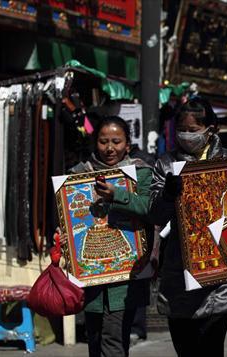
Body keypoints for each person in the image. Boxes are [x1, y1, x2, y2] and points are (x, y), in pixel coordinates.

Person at [148, 97, 227, 357]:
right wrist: (168, 195)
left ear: (211, 129)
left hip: (219, 275)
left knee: (212, 348)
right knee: (185, 348)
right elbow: (156, 214)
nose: (186, 136)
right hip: (179, 272)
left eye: (193, 130)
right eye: (182, 129)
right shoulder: (165, 165)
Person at [68, 116, 153, 357]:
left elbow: (150, 208)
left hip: (126, 271)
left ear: (127, 144)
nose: (109, 148)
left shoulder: (140, 173)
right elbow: (70, 217)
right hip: (92, 269)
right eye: (104, 141)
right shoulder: (80, 175)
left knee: (113, 338)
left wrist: (118, 195)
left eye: (116, 141)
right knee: (94, 338)